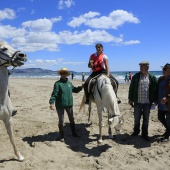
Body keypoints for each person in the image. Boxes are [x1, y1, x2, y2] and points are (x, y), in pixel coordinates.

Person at [49, 68, 83, 142]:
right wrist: (51, 102)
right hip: (60, 105)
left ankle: (74, 133)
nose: (63, 74)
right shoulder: (57, 84)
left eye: (64, 73)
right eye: (62, 73)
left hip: (69, 104)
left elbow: (75, 90)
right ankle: (61, 136)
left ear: (67, 74)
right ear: (60, 74)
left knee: (72, 119)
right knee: (61, 121)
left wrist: (81, 87)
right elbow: (54, 94)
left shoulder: (69, 83)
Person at [128, 61, 157, 141]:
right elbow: (131, 88)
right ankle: (136, 131)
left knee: (146, 119)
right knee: (136, 118)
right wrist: (130, 99)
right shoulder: (136, 77)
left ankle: (145, 134)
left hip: (147, 103)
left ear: (147, 67)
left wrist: (155, 101)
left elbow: (155, 90)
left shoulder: (152, 77)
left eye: (142, 66)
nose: (141, 68)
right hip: (138, 102)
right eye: (140, 66)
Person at [157, 63, 170, 142]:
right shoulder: (161, 79)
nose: (163, 70)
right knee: (160, 117)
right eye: (163, 69)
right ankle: (168, 130)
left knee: (168, 121)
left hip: (168, 105)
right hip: (160, 104)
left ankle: (167, 136)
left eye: (165, 69)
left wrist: (167, 98)